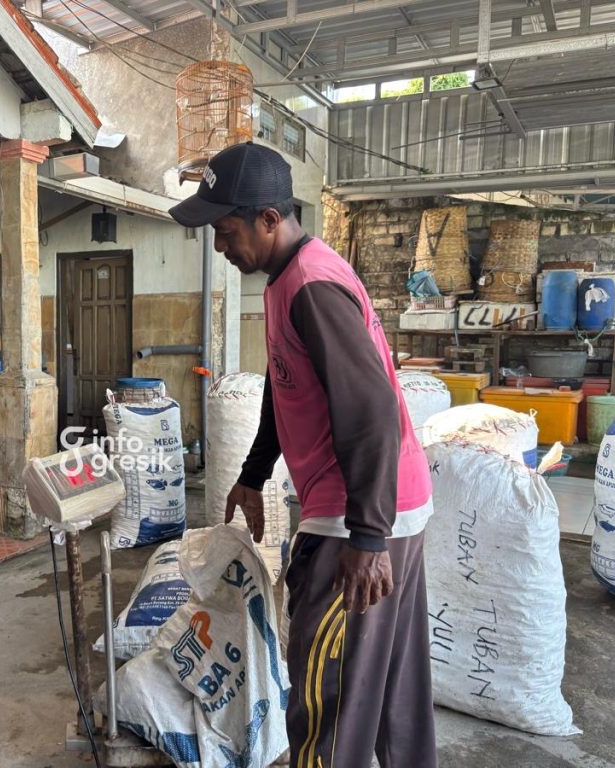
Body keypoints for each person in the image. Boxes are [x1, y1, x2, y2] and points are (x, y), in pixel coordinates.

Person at [169, 142, 437, 768]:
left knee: (327, 699)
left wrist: (367, 537)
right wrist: (253, 473)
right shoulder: (288, 277)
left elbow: (371, 408)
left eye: (226, 230)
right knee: (390, 688)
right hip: (388, 505)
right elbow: (285, 384)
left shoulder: (312, 286)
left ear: (269, 219)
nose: (219, 245)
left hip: (356, 517)